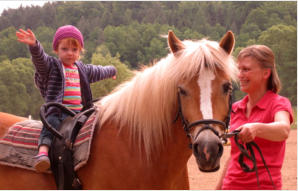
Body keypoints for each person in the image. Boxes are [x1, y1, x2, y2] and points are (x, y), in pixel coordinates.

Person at [16, 25, 117, 172]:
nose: (70, 53)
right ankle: (43, 152)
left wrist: (112, 70)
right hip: (59, 112)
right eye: (64, 49)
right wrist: (34, 46)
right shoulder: (52, 66)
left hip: (79, 114)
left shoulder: (82, 69)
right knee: (50, 124)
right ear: (57, 50)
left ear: (80, 51)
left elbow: (99, 71)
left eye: (74, 50)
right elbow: (40, 61)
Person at [216, 45, 293, 190]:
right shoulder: (236, 108)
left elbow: (283, 130)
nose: (240, 75)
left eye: (246, 69)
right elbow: (234, 154)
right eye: (239, 70)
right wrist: (218, 188)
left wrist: (256, 128)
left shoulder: (279, 103)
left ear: (265, 73)